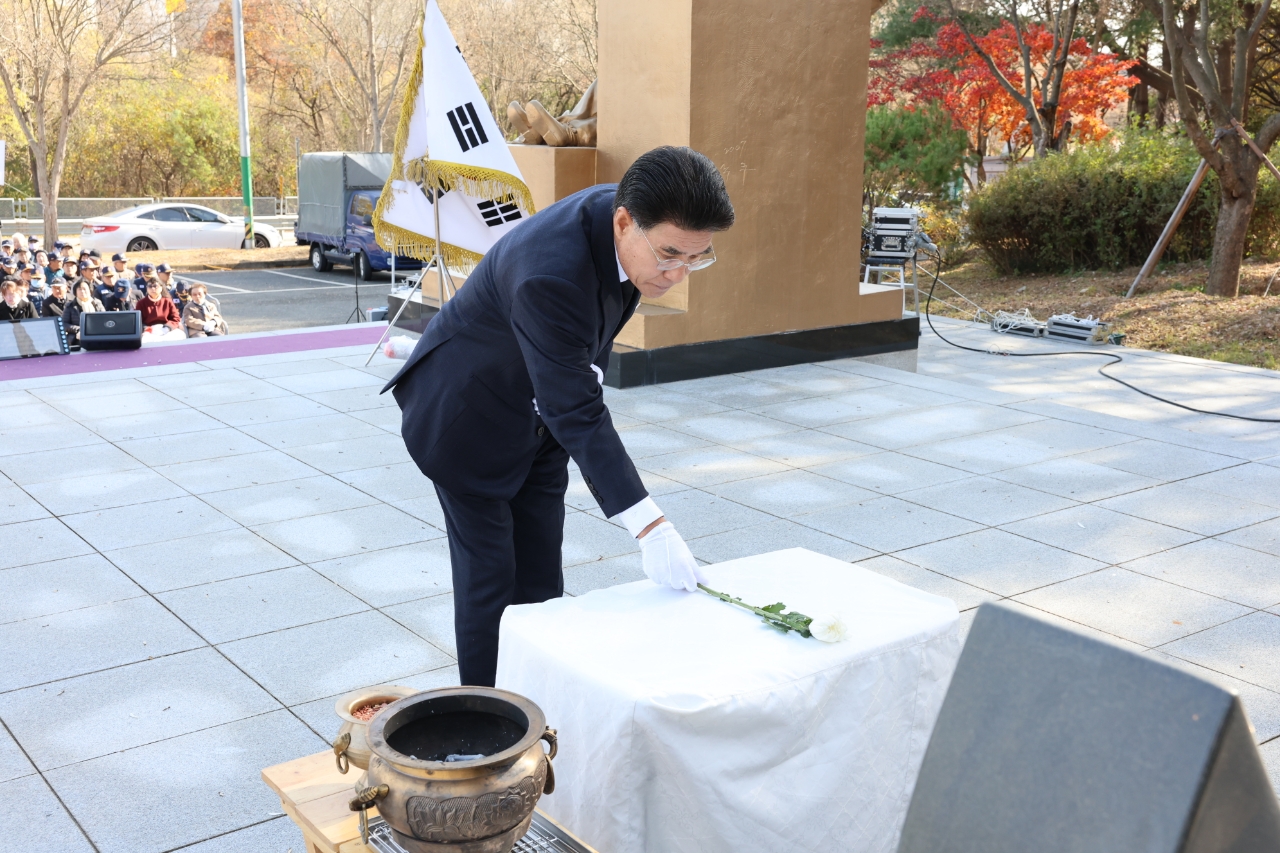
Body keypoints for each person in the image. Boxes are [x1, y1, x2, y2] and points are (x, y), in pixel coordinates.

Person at [383, 146, 733, 687]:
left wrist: (574, 381)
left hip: (539, 421)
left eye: (696, 257)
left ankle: (539, 699)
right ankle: (488, 726)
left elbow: (574, 376)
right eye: (670, 255)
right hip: (465, 417)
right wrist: (649, 525)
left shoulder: (624, 223)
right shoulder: (551, 271)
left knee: (542, 574)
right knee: (490, 582)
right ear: (625, 223)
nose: (678, 274)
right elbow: (575, 404)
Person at [62, 280, 104, 346]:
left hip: (97, 334)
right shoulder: (70, 306)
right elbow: (64, 324)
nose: (82, 291)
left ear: (90, 290)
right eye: (79, 289)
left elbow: (104, 319)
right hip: (77, 338)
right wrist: (80, 329)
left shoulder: (97, 303)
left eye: (84, 289)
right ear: (75, 292)